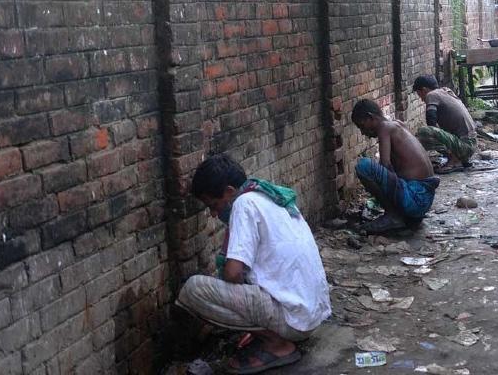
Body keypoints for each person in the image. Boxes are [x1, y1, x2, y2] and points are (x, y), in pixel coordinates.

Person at [176, 154, 332, 373]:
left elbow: (232, 273)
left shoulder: (243, 204)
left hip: (293, 320)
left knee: (193, 290)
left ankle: (276, 344)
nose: (213, 213)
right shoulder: (266, 194)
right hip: (310, 314)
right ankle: (270, 334)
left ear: (230, 192)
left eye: (214, 205)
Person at [351, 99, 440, 233]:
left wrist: (380, 194)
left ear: (371, 117)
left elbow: (385, 165)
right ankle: (405, 217)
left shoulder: (384, 128)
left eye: (362, 126)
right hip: (423, 199)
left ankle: (392, 216)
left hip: (414, 198)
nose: (363, 132)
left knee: (363, 166)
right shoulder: (398, 124)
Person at [412, 75, 477, 174]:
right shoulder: (446, 91)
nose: (421, 99)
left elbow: (431, 120)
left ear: (424, 90)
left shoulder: (431, 95)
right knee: (432, 132)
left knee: (424, 132)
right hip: (470, 144)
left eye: (419, 94)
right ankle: (457, 158)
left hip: (465, 146)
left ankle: (455, 160)